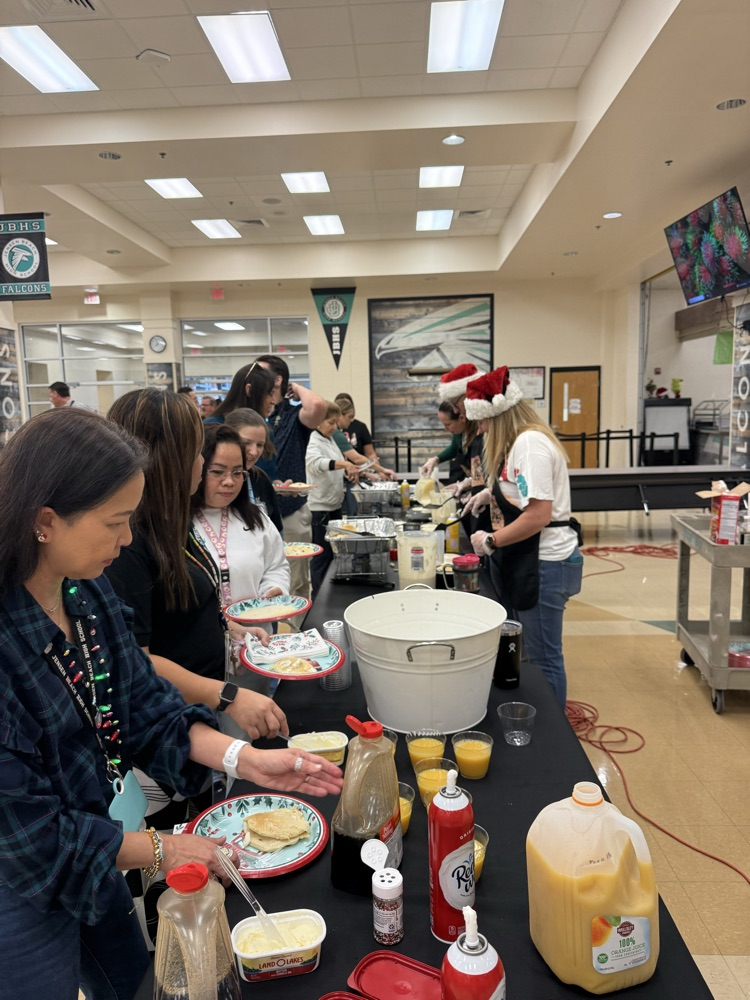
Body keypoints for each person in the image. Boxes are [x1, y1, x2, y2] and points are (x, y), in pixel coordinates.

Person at [0, 407, 343, 1000]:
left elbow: (145, 706)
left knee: (134, 979)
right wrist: (166, 847)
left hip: (95, 843)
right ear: (44, 521)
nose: (127, 539)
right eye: (115, 522)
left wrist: (244, 759)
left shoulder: (85, 594)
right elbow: (32, 838)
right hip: (19, 883)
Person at [105, 390, 289, 817]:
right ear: (168, 460)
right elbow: (134, 659)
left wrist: (230, 627)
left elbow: (181, 610)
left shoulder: (171, 526)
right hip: (160, 737)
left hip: (190, 722)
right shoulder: (130, 542)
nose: (202, 464)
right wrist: (229, 696)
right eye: (197, 454)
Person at [464, 366, 583, 708]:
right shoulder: (518, 445)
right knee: (531, 653)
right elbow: (522, 491)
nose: (480, 429)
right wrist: (490, 493)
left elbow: (538, 515)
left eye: (482, 422)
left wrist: (490, 541)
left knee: (545, 658)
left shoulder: (530, 445)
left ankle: (554, 729)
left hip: (546, 564)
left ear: (497, 416)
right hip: (533, 560)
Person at [192, 423, 290, 710]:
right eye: (217, 472)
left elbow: (276, 565)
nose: (229, 482)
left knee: (252, 721)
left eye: (238, 473)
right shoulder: (177, 525)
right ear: (196, 469)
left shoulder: (255, 518)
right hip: (200, 659)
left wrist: (274, 589)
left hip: (255, 645)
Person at [257, 355, 327, 601]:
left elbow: (316, 405)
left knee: (295, 580)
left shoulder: (293, 416)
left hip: (290, 510)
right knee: (260, 580)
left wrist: (295, 388)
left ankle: (297, 625)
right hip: (255, 511)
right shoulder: (252, 416)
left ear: (277, 380)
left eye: (261, 372)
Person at [305, 401, 360, 596]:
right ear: (318, 421)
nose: (335, 427)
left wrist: (347, 472)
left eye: (337, 422)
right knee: (321, 557)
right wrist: (345, 464)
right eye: (331, 422)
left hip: (334, 505)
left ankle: (329, 595)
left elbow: (334, 465)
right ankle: (319, 598)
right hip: (320, 508)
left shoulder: (329, 440)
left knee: (333, 555)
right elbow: (316, 463)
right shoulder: (313, 440)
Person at [224, 408, 284, 535]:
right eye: (246, 443)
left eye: (260, 445)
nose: (254, 452)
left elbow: (277, 531)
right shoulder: (211, 480)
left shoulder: (260, 479)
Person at [419, 401, 478, 484]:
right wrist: (435, 459)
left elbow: (480, 475)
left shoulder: (478, 436)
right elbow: (454, 448)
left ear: (462, 418)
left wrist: (468, 482)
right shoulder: (459, 431)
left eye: (448, 424)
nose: (445, 429)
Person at [206, 362, 277, 425]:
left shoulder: (264, 428)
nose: (273, 401)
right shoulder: (212, 427)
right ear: (249, 390)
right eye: (270, 394)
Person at [333, 392, 378, 460]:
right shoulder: (335, 433)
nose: (351, 420)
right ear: (340, 414)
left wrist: (376, 466)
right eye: (349, 417)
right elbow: (357, 459)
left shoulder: (360, 427)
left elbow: (370, 454)